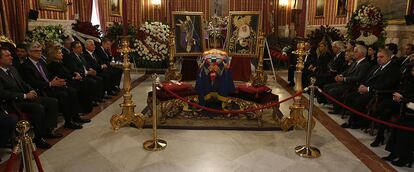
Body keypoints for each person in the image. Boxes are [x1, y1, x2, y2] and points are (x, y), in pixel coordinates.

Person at [0, 47, 60, 149]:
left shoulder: (12, 69)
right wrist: (24, 96)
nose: (11, 57)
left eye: (10, 55)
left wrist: (31, 90)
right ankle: (38, 138)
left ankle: (48, 130)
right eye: (7, 56)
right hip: (12, 103)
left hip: (24, 97)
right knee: (38, 108)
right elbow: (3, 93)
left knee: (52, 102)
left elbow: (23, 83)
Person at [19, 42, 86, 129]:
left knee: (71, 91)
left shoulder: (41, 63)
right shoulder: (26, 66)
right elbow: (32, 83)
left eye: (40, 50)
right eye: (36, 51)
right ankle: (67, 122)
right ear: (29, 52)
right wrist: (50, 83)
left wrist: (57, 79)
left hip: (49, 86)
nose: (39, 52)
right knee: (64, 95)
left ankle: (75, 117)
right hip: (41, 90)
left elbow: (49, 75)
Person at [342, 48, 401, 129]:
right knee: (350, 96)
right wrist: (362, 85)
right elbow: (366, 77)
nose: (379, 59)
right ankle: (353, 120)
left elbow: (386, 85)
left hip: (380, 93)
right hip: (368, 90)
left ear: (389, 57)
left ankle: (357, 122)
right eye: (377, 57)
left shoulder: (393, 69)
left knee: (359, 100)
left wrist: (368, 89)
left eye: (381, 57)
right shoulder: (376, 66)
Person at [382, 63, 414, 168]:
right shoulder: (410, 80)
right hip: (409, 111)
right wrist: (400, 96)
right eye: (413, 70)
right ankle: (394, 152)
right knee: (399, 124)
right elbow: (406, 91)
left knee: (406, 127)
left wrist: (404, 99)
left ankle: (405, 157)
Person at [46, 45, 94, 114]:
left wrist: (75, 74)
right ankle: (80, 110)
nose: (62, 54)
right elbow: (62, 76)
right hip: (64, 82)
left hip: (69, 80)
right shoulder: (53, 65)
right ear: (53, 55)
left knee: (84, 82)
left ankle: (85, 107)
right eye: (59, 53)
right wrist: (73, 77)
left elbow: (68, 71)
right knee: (81, 85)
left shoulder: (60, 63)